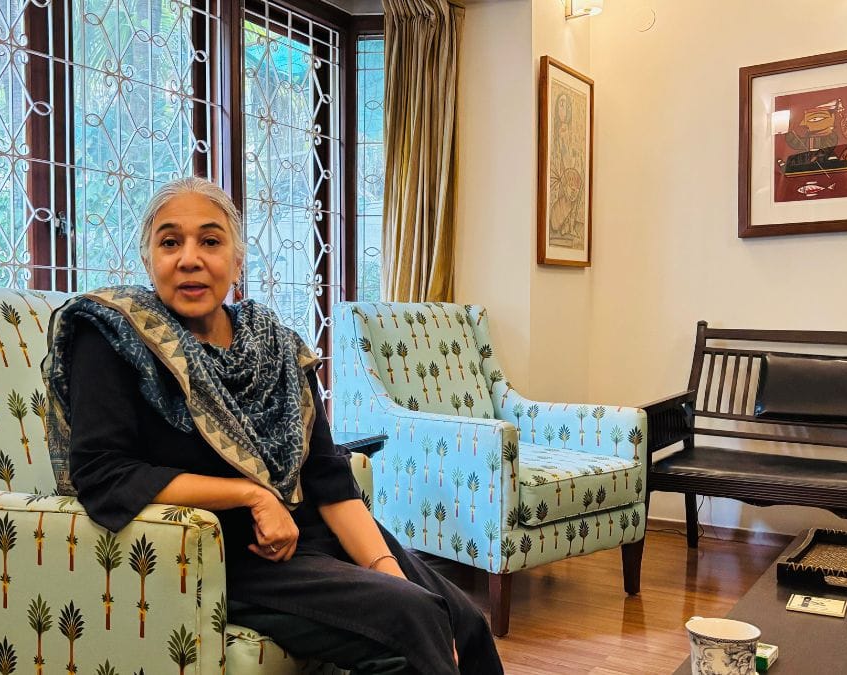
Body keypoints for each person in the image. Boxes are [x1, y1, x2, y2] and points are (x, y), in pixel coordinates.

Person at [42, 177, 503, 674]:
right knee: (414, 620)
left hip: (309, 533)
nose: (190, 258)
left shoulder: (276, 347)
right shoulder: (114, 336)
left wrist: (386, 570)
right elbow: (102, 472)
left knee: (465, 620)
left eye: (211, 241)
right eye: (170, 241)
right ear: (148, 258)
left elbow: (328, 477)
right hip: (226, 553)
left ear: (237, 262)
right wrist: (252, 494)